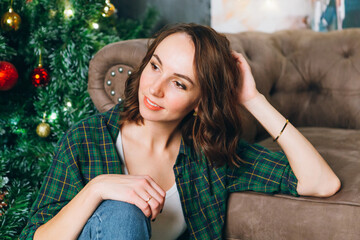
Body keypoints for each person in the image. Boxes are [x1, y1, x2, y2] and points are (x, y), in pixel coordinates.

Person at [20, 23, 341, 240]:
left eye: (178, 83)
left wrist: (252, 100)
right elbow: (37, 236)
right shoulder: (87, 139)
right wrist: (98, 188)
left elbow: (320, 182)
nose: (155, 89)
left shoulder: (211, 157)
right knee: (123, 211)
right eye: (155, 66)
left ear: (200, 102)